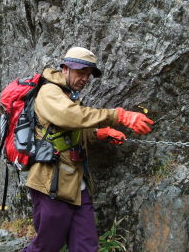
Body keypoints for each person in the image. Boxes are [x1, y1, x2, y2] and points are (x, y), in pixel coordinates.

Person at [22, 47, 154, 252]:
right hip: (51, 184)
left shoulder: (68, 94)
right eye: (80, 72)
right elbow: (71, 117)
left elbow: (67, 132)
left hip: (76, 184)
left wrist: (98, 133)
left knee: (86, 245)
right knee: (47, 246)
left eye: (88, 75)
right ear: (64, 69)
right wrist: (119, 116)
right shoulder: (49, 92)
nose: (84, 78)